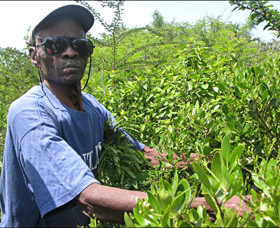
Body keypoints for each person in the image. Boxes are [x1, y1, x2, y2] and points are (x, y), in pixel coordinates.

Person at [0, 4, 250, 227]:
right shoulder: (30, 112)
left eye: (80, 45)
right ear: (34, 55)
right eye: (55, 45)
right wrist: (210, 206)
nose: (70, 52)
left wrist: (210, 161)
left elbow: (144, 155)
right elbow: (88, 199)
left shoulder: (93, 107)